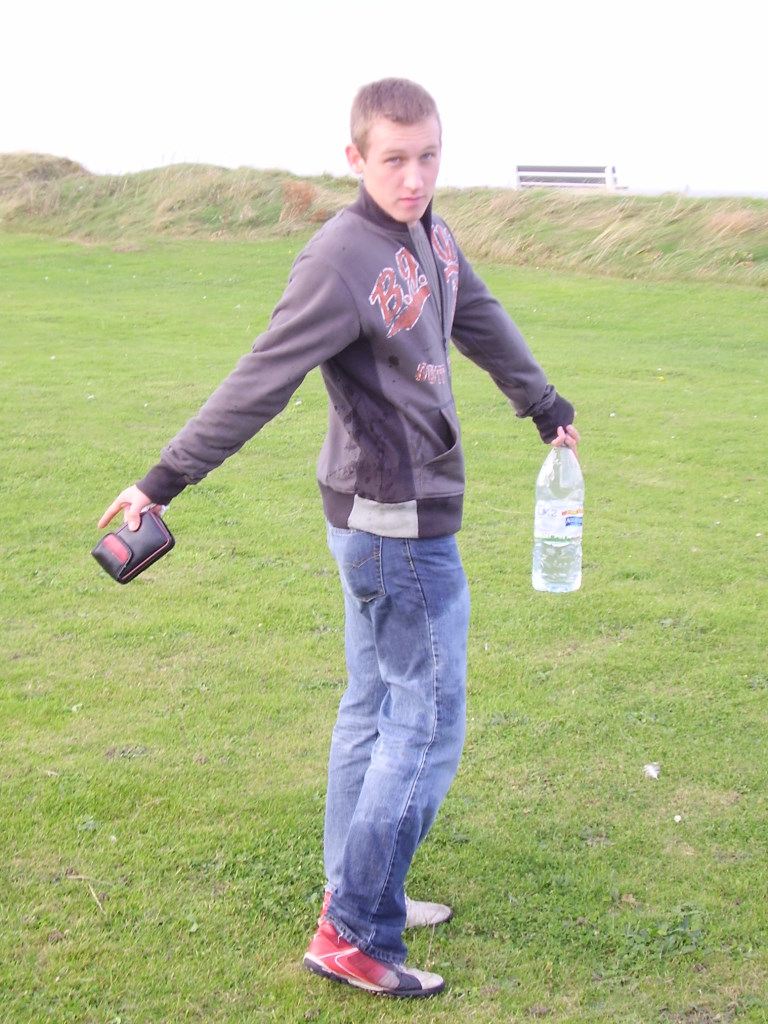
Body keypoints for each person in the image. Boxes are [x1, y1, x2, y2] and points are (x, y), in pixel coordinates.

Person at [98, 77, 580, 999]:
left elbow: (478, 315)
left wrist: (542, 403)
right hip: (393, 524)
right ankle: (354, 927)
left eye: (429, 156)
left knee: (373, 706)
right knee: (424, 722)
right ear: (355, 158)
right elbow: (261, 378)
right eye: (394, 159)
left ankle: (357, 885)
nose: (415, 177)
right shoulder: (338, 259)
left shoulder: (431, 234)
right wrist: (162, 480)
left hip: (383, 518)